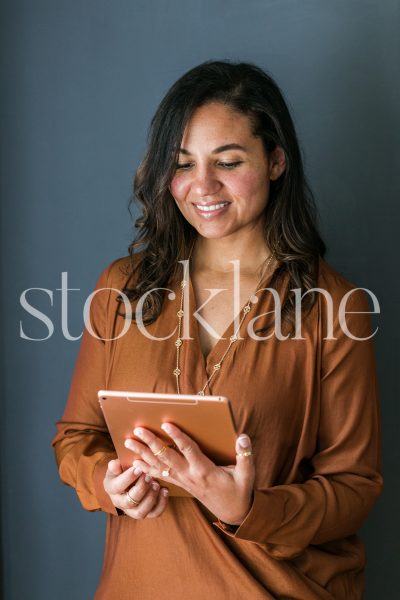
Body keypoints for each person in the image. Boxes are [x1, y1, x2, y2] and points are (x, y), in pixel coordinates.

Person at [52, 60, 383, 599]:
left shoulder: (334, 307)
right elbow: (76, 438)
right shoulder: (122, 287)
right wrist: (105, 482)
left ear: (276, 161)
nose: (202, 186)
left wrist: (251, 509)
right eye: (183, 164)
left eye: (228, 162)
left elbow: (354, 487)